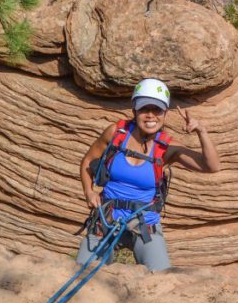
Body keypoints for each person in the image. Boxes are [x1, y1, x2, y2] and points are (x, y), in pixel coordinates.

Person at [76, 78, 220, 271]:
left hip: (144, 224)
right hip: (106, 219)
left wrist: (202, 131)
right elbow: (87, 162)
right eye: (144, 109)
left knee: (161, 279)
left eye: (157, 110)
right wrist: (89, 192)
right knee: (83, 273)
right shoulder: (116, 133)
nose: (150, 115)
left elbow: (211, 166)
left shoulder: (166, 147)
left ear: (165, 113)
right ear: (134, 110)